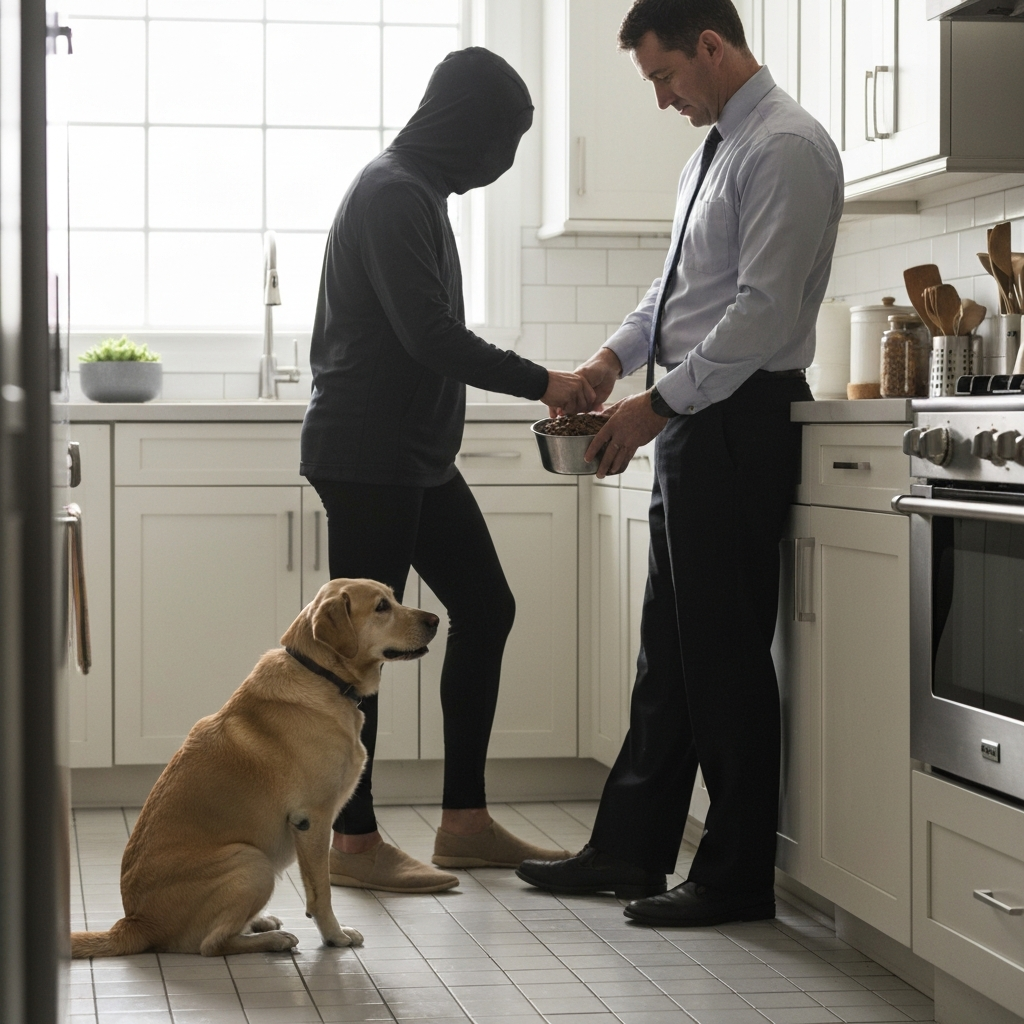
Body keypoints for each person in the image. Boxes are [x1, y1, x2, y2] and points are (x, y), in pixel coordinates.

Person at [517, 0, 843, 927]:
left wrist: (656, 404)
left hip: (739, 419)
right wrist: (608, 365)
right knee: (671, 652)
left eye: (664, 76)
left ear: (711, 45)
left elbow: (762, 315)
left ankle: (736, 879)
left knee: (725, 655)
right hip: (698, 416)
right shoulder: (713, 149)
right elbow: (676, 296)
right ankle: (630, 848)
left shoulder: (784, 146)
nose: (661, 99)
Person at [300, 47, 590, 894]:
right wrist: (547, 382)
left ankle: (463, 823)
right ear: (467, 126)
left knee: (487, 607)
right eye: (504, 140)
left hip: (412, 459)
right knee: (362, 653)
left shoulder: (415, 194)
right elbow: (430, 336)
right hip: (369, 455)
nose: (503, 163)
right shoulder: (394, 193)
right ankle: (352, 842)